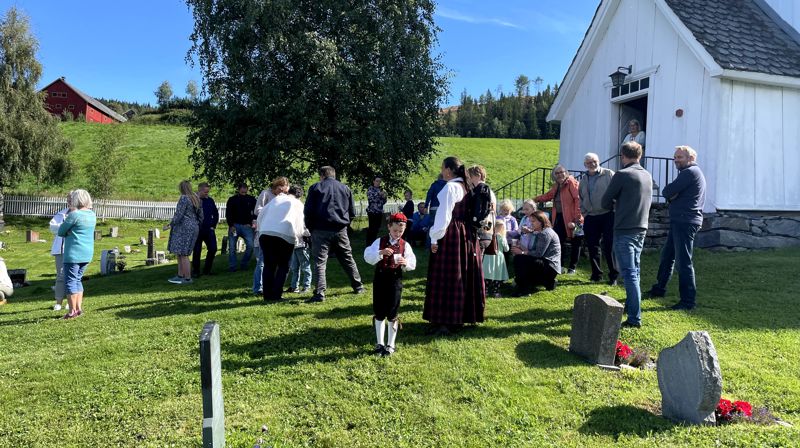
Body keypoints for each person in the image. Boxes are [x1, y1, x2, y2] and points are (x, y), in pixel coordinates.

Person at [423, 156, 485, 336]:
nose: (441, 171)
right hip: (464, 234)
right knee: (460, 274)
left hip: (451, 234)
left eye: (443, 168)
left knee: (447, 276)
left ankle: (445, 321)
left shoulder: (450, 187)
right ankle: (458, 317)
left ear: (449, 170)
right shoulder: (466, 185)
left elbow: (443, 218)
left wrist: (434, 239)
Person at [648, 145, 706, 310]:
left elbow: (667, 191)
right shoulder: (691, 173)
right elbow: (671, 193)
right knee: (667, 256)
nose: (676, 160)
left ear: (691, 158)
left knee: (683, 262)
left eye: (679, 157)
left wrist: (673, 195)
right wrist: (674, 195)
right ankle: (659, 289)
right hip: (681, 220)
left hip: (685, 222)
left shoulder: (690, 173)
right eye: (675, 157)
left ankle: (688, 301)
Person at [601, 141, 652, 328]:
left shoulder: (622, 175)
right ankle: (632, 309)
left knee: (629, 274)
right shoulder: (646, 175)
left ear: (623, 156)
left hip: (625, 229)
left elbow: (605, 201)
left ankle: (634, 318)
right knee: (635, 272)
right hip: (641, 228)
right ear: (639, 155)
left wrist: (616, 203)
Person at [304, 166, 365, 303]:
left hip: (320, 229)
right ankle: (358, 286)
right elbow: (352, 212)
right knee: (347, 258)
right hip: (340, 229)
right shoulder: (345, 188)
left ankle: (320, 292)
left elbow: (308, 210)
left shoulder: (315, 188)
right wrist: (345, 225)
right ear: (334, 175)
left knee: (320, 262)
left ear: (322, 175)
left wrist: (310, 227)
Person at [364, 212, 417, 357]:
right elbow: (367, 256)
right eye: (395, 231)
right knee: (379, 311)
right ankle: (379, 343)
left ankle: (390, 345)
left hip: (395, 281)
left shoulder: (405, 245)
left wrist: (406, 263)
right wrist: (380, 252)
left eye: (401, 231)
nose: (397, 234)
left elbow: (412, 263)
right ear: (389, 227)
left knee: (393, 311)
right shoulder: (379, 242)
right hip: (380, 279)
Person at [256, 177, 305, 301]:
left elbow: (261, 214)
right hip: (284, 235)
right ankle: (276, 294)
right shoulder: (298, 203)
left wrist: (261, 230)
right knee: (283, 266)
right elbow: (300, 223)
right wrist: (300, 237)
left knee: (269, 265)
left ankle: (267, 295)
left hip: (265, 234)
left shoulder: (276, 199)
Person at [534, 164, 583, 274]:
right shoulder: (557, 186)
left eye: (562, 172)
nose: (560, 174)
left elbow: (578, 201)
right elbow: (548, 196)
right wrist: (535, 199)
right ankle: (559, 265)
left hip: (574, 219)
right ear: (554, 176)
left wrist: (576, 220)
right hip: (560, 218)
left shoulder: (572, 183)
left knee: (576, 242)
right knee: (558, 241)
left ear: (566, 173)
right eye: (557, 173)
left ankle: (572, 267)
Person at [579, 153, 618, 285]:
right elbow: (581, 197)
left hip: (608, 214)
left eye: (594, 161)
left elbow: (617, 192)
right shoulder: (583, 179)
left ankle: (613, 276)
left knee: (609, 245)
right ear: (585, 165)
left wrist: (614, 208)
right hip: (590, 216)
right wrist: (584, 213)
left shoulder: (608, 174)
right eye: (589, 163)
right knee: (592, 246)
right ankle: (596, 274)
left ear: (599, 161)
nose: (592, 164)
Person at [57, 189, 97, 319]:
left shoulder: (74, 215)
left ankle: (72, 311)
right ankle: (79, 308)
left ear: (76, 199)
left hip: (73, 253)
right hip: (87, 253)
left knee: (70, 281)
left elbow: (61, 231)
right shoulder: (92, 215)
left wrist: (69, 232)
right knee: (78, 279)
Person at [510, 210, 561, 295]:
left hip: (550, 267)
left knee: (520, 259)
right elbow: (533, 250)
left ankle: (524, 288)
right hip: (545, 263)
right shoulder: (539, 232)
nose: (531, 224)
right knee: (521, 258)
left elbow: (538, 254)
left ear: (541, 221)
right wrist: (520, 247)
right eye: (530, 221)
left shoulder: (545, 233)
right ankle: (546, 282)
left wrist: (521, 252)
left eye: (533, 221)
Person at [165, 180, 203, 284]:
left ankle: (187, 278)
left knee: (183, 254)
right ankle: (180, 275)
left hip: (184, 228)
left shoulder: (184, 198)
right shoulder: (196, 198)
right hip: (194, 227)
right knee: (181, 253)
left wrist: (170, 224)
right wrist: (196, 224)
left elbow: (179, 215)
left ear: (181, 188)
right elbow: (201, 216)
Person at [286, 185, 312, 294]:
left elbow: (304, 224)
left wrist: (305, 233)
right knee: (294, 266)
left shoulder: (299, 207)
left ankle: (306, 286)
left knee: (305, 265)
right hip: (294, 241)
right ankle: (294, 286)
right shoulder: (295, 205)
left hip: (301, 241)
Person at [225, 183, 257, 272]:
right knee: (232, 248)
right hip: (235, 225)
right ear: (239, 189)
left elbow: (255, 212)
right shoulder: (232, 200)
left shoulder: (251, 199)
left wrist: (252, 222)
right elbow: (229, 213)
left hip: (247, 226)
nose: (244, 190)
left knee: (250, 246)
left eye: (245, 188)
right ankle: (233, 266)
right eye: (242, 188)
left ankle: (244, 264)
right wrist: (231, 225)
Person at [48, 193, 72, 311]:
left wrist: (63, 228)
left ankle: (70, 301)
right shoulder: (61, 213)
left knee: (71, 276)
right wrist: (65, 226)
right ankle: (58, 302)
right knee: (60, 276)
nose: (69, 202)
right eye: (68, 200)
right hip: (60, 249)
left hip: (73, 249)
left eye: (71, 200)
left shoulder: (80, 214)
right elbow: (52, 227)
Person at [192, 182, 219, 277]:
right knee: (197, 250)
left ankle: (207, 270)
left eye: (208, 192)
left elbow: (215, 213)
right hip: (197, 230)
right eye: (205, 192)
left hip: (208, 229)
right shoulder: (194, 201)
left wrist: (213, 225)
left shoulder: (210, 201)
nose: (207, 194)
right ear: (200, 190)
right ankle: (196, 271)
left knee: (213, 248)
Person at [482, 220, 509, 298]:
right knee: (497, 274)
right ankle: (496, 292)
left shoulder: (488, 235)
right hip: (498, 256)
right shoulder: (502, 237)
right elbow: (506, 249)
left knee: (487, 273)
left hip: (488, 256)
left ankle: (485, 291)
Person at [366, 176, 387, 245]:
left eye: (379, 181)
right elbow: (371, 199)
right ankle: (369, 244)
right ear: (373, 181)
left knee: (377, 229)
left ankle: (374, 243)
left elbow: (383, 202)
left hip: (379, 212)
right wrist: (379, 194)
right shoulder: (370, 189)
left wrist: (384, 197)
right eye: (377, 181)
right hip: (372, 212)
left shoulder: (381, 190)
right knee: (372, 228)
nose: (378, 183)